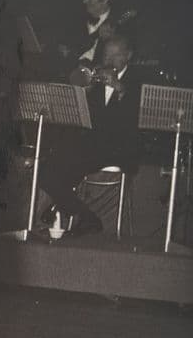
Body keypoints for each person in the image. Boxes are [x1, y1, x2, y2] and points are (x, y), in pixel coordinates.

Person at [39, 32, 142, 236]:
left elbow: (137, 119)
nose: (110, 61)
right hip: (94, 147)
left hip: (122, 149)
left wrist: (119, 87)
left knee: (70, 161)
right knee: (48, 168)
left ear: (128, 55)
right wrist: (85, 91)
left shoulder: (138, 80)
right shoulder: (96, 79)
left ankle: (66, 208)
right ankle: (85, 216)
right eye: (106, 56)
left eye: (116, 55)